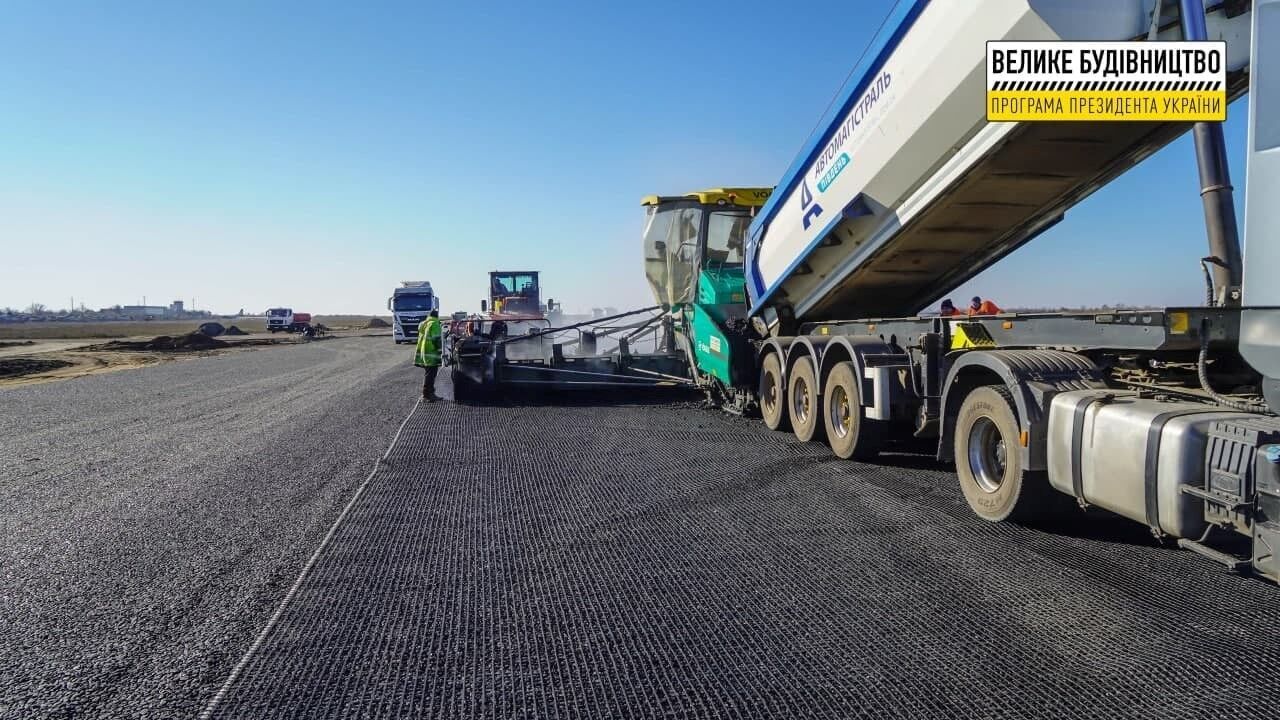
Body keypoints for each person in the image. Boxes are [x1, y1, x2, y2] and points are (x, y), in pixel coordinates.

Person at [415, 310, 444, 401]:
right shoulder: (434, 324)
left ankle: (427, 394)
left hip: (424, 353)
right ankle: (427, 395)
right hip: (431, 353)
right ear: (437, 316)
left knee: (428, 374)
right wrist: (442, 352)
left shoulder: (423, 324)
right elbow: (436, 339)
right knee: (431, 375)